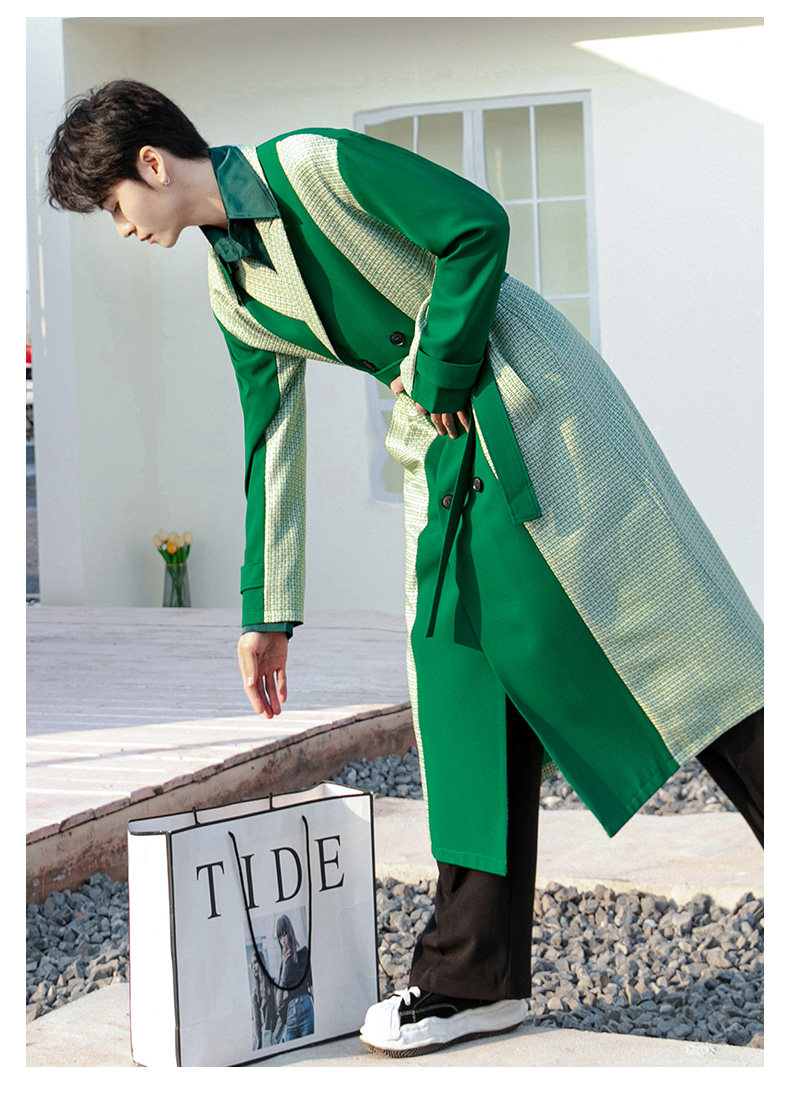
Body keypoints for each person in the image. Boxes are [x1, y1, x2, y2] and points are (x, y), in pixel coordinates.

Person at [45, 80, 764, 1058]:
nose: (123, 229)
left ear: (151, 165)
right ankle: (472, 975)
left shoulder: (314, 164)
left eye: (113, 205)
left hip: (529, 401)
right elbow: (273, 441)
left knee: (678, 644)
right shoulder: (233, 292)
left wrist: (438, 367)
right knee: (458, 680)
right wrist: (267, 615)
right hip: (442, 451)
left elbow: (475, 225)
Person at [273, 914, 314, 1041]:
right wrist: (285, 969)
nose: (283, 940)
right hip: (290, 1014)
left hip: (306, 1007)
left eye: (284, 934)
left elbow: (312, 985)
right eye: (280, 937)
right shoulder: (284, 963)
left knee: (308, 1047)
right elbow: (278, 1001)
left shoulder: (304, 953)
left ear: (290, 932)